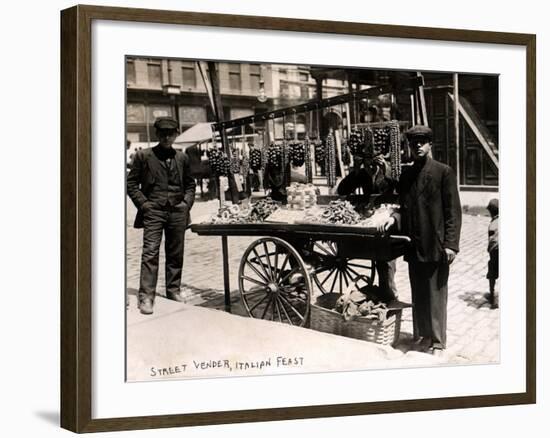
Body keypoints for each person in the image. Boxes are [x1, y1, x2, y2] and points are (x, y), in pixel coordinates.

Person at [383, 125, 462, 356]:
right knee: (419, 293)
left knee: (436, 295)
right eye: (413, 142)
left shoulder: (443, 172)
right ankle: (423, 335)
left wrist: (451, 244)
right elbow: (403, 207)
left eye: (422, 141)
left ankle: (437, 341)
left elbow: (453, 212)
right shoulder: (406, 175)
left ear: (430, 144)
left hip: (436, 245)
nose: (417, 145)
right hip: (414, 244)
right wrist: (393, 217)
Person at [127, 117, 196, 315]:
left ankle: (173, 290)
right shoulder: (143, 156)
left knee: (176, 253)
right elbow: (131, 184)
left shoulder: (182, 158)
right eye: (163, 134)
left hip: (177, 211)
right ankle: (146, 296)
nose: (167, 138)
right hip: (153, 211)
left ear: (176, 134)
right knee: (150, 252)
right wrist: (145, 205)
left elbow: (190, 185)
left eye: (171, 134)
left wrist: (185, 205)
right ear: (157, 135)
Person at [485, 198, 499, 308]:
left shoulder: (493, 224)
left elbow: (491, 240)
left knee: (492, 272)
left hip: (496, 250)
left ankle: (493, 298)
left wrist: (489, 249)